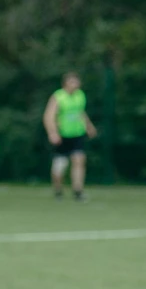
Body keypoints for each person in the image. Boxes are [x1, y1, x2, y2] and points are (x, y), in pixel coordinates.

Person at [43, 73, 96, 201]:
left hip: (77, 134)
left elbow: (80, 112)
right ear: (65, 83)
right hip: (62, 136)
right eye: (72, 82)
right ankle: (58, 190)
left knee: (79, 160)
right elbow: (48, 116)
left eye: (77, 82)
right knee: (59, 166)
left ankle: (78, 191)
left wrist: (89, 126)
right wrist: (52, 133)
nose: (75, 85)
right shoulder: (58, 96)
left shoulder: (80, 95)